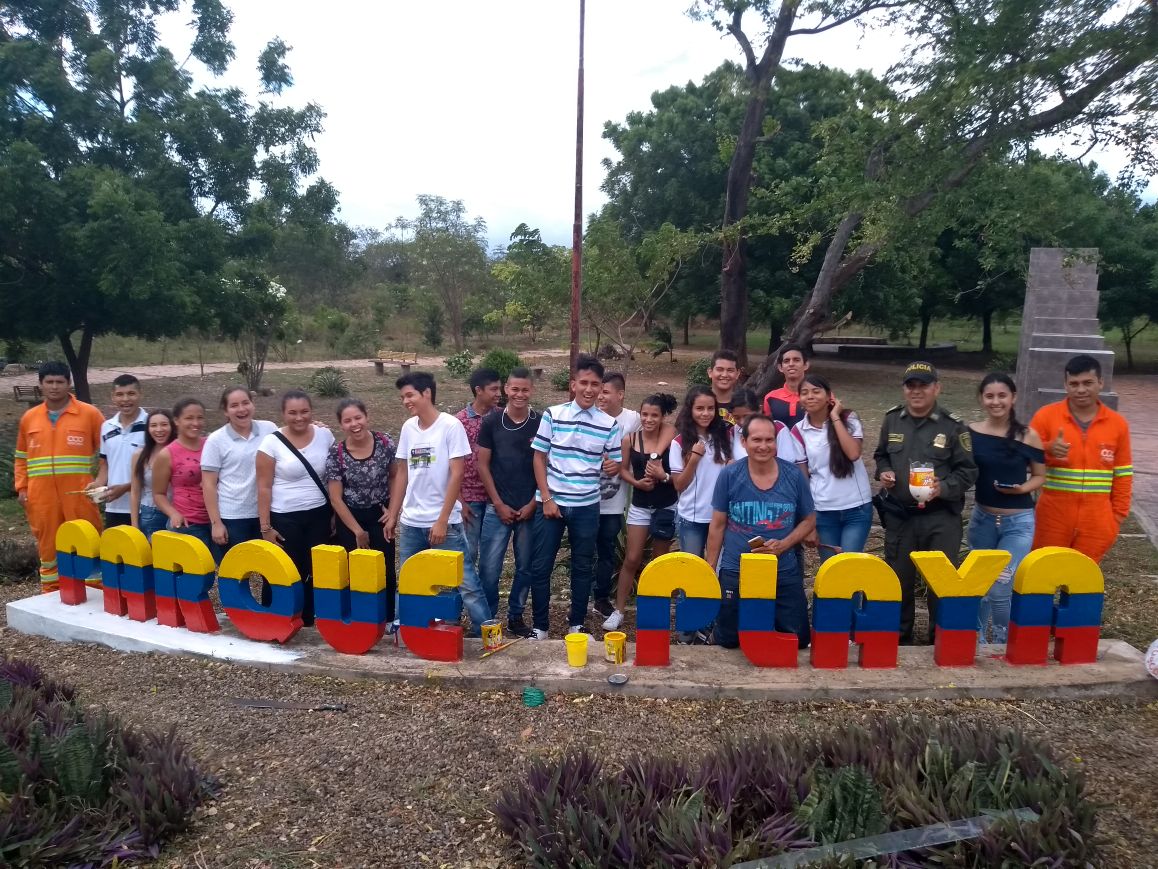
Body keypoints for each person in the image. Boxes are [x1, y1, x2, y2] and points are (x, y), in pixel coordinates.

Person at [873, 362, 978, 645]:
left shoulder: (953, 425)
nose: (917, 391)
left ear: (937, 388)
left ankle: (939, 640)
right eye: (911, 386)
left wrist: (943, 488)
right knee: (899, 579)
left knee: (941, 583)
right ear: (904, 389)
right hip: (901, 517)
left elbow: (968, 471)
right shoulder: (892, 420)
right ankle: (899, 639)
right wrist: (885, 471)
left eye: (924, 385)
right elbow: (881, 455)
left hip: (940, 517)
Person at [386, 372, 491, 635]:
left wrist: (442, 519)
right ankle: (406, 630)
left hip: (444, 523)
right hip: (412, 523)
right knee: (409, 580)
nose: (405, 401)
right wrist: (393, 514)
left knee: (466, 581)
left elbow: (457, 473)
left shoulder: (450, 426)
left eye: (409, 395)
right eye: (402, 397)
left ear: (427, 393)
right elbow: (403, 472)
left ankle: (486, 632)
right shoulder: (408, 428)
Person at [527, 354, 622, 638]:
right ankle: (540, 626)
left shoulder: (609, 424)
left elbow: (614, 463)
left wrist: (613, 466)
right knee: (541, 565)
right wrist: (546, 498)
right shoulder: (553, 414)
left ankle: (577, 624)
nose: (589, 389)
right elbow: (539, 457)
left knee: (582, 566)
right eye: (584, 383)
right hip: (551, 503)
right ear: (573, 384)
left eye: (595, 384)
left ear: (601, 387)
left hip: (587, 506)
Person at [706, 414, 816, 649]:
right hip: (736, 568)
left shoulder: (793, 475)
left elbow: (809, 520)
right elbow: (717, 524)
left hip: (782, 567)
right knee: (728, 640)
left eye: (769, 440)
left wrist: (784, 544)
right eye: (756, 440)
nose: (763, 446)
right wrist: (710, 568)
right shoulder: (729, 475)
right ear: (743, 442)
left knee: (798, 639)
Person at [1029, 354, 1132, 563]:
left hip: (1097, 522)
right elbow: (1023, 458)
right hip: (1052, 517)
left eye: (1087, 383)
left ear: (1100, 383)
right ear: (1065, 385)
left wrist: (1116, 518)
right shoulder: (1045, 417)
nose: (1081, 389)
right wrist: (1048, 449)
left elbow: (1123, 474)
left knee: (1082, 578)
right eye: (1074, 384)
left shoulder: (1117, 424)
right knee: (1044, 573)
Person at [968, 373, 1046, 644]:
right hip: (982, 521)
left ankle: (1003, 644)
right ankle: (977, 642)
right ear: (981, 399)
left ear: (1013, 398)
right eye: (989, 396)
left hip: (1018, 524)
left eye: (1002, 395)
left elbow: (1040, 476)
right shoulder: (970, 433)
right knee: (979, 586)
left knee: (1001, 587)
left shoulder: (1028, 435)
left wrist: (1022, 489)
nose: (996, 401)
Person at [14, 361, 104, 592]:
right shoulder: (29, 418)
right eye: (49, 382)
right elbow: (21, 457)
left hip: (80, 494)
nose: (54, 387)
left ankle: (94, 589)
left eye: (59, 382)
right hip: (41, 496)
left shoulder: (89, 414)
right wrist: (22, 488)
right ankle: (51, 592)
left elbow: (108, 452)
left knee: (88, 539)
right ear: (41, 385)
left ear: (68, 383)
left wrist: (101, 481)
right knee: (48, 546)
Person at [257, 390, 335, 626]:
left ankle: (309, 618)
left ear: (312, 411)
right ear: (283, 414)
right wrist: (265, 527)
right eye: (292, 413)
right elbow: (263, 487)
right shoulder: (271, 443)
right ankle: (277, 616)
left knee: (315, 569)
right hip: (284, 516)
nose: (299, 417)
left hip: (319, 513)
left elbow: (333, 476)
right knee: (286, 568)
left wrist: (334, 514)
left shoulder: (325, 435)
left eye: (304, 412)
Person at [603, 393, 679, 631]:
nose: (648, 419)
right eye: (644, 414)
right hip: (640, 505)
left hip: (666, 504)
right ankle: (618, 611)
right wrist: (637, 483)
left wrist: (661, 473)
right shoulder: (630, 439)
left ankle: (657, 610)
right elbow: (622, 469)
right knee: (632, 558)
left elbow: (675, 467)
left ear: (662, 417)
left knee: (659, 560)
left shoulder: (672, 436)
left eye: (654, 415)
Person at [476, 367, 539, 633]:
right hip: (497, 508)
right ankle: (487, 619)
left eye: (525, 389)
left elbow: (546, 465)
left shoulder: (540, 422)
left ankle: (516, 616)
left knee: (525, 568)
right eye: (515, 389)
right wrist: (498, 503)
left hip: (529, 509)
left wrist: (534, 503)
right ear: (506, 389)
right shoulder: (492, 422)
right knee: (489, 568)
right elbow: (482, 464)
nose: (519, 394)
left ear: (531, 390)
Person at [326, 398, 398, 622]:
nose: (354, 424)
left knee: (385, 570)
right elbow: (335, 498)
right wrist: (357, 531)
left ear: (367, 417)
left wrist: (393, 510)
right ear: (341, 425)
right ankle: (360, 620)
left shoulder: (385, 443)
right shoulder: (337, 453)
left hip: (380, 514)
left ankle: (387, 620)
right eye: (347, 420)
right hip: (350, 517)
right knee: (355, 570)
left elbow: (395, 476)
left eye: (358, 418)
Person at [793, 374, 874, 563]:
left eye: (816, 391)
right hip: (823, 511)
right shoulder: (798, 431)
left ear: (829, 395)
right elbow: (803, 478)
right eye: (804, 393)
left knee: (848, 567)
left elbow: (853, 453)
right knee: (830, 569)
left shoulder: (848, 418)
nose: (810, 396)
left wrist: (835, 417)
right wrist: (808, 522)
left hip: (856, 508)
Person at [202, 386, 278, 558]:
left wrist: (316, 427)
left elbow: (290, 442)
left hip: (267, 513)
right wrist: (216, 523)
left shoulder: (269, 429)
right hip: (233, 517)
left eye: (246, 403)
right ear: (225, 411)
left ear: (253, 404)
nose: (242, 409)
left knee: (269, 566)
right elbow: (208, 484)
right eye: (234, 405)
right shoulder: (216, 440)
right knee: (237, 568)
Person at [592, 370, 642, 618]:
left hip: (613, 502)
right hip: (584, 499)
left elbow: (659, 432)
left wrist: (621, 465)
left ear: (620, 395)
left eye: (605, 392)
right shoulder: (588, 416)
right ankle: (578, 601)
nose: (600, 396)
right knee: (583, 552)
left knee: (606, 551)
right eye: (599, 391)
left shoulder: (633, 419)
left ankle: (601, 599)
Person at [669, 386, 733, 559]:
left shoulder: (724, 438)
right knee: (693, 569)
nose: (705, 413)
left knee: (717, 568)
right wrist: (694, 459)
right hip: (692, 517)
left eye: (710, 408)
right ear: (690, 410)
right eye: (699, 408)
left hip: (720, 516)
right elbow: (679, 484)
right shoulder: (679, 443)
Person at [455, 368, 501, 573]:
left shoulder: (502, 417)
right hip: (469, 497)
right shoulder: (459, 422)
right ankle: (462, 592)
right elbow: (450, 465)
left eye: (500, 388)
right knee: (469, 552)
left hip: (495, 496)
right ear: (478, 390)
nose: (499, 393)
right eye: (494, 389)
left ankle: (485, 591)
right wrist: (460, 502)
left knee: (491, 556)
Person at [152, 398, 212, 549]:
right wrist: (173, 513)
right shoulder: (167, 454)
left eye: (200, 418)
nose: (195, 423)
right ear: (176, 421)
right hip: (187, 525)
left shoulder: (212, 444)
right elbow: (158, 494)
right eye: (189, 418)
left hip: (217, 521)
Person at [91, 374, 148, 527]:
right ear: (113, 397)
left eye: (131, 393)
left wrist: (126, 488)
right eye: (120, 394)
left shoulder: (152, 425)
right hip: (114, 507)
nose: (125, 399)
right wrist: (97, 485)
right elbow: (105, 464)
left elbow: (156, 472)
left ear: (140, 394)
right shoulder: (107, 426)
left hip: (146, 507)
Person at [130, 409, 175, 539]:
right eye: (153, 425)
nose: (159, 430)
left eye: (164, 424)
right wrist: (134, 525)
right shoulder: (140, 455)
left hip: (179, 513)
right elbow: (135, 491)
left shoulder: (180, 452)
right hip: (151, 514)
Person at [732, 387, 800, 466]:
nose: (742, 422)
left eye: (746, 416)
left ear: (759, 410)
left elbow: (787, 464)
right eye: (737, 418)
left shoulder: (778, 429)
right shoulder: (733, 432)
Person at [762, 344, 810, 428]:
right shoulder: (771, 397)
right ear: (780, 367)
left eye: (796, 360)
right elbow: (766, 429)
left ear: (806, 365)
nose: (791, 364)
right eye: (786, 361)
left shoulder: (818, 395)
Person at [708, 350, 740, 424]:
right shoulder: (698, 403)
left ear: (737, 374)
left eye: (730, 370)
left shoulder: (745, 405)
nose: (725, 375)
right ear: (710, 372)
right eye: (719, 370)